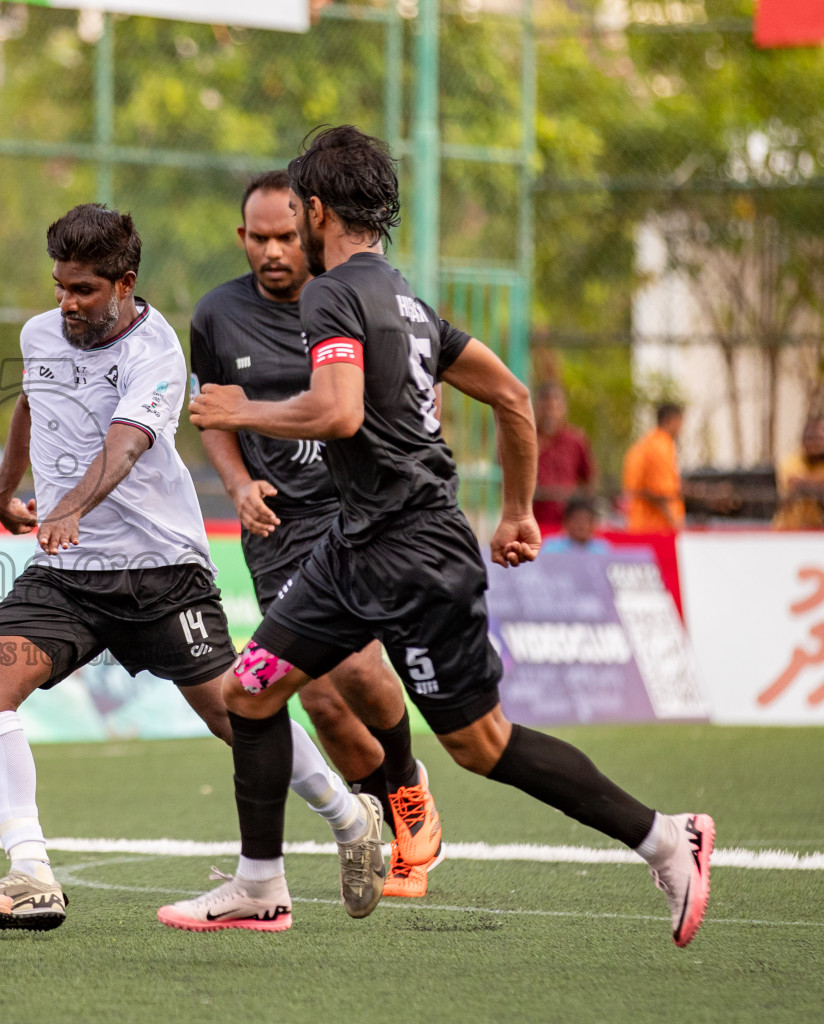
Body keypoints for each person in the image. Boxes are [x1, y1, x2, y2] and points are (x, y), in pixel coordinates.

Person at [169, 125, 713, 948]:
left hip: (417, 553)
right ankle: (258, 885)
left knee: (481, 745)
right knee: (250, 690)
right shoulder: (407, 301)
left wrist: (237, 408)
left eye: (297, 221)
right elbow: (514, 397)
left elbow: (339, 410)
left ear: (317, 211)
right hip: (353, 549)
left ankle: (668, 839)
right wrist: (521, 510)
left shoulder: (331, 295)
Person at [0, 204, 385, 934]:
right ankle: (30, 875)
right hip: (69, 575)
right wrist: (3, 489)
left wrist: (69, 507)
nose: (67, 303)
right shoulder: (40, 333)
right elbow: (31, 400)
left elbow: (125, 446)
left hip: (160, 572)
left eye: (83, 289)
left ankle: (349, 818)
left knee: (237, 715)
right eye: (59, 286)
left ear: (125, 283)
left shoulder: (156, 352)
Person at [191, 170, 438, 897]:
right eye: (258, 237)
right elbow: (212, 416)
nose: (271, 250)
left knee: (360, 671)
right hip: (274, 536)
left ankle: (406, 784)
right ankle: (399, 830)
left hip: (349, 517)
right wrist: (238, 486)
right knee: (324, 701)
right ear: (242, 237)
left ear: (311, 230)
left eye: (285, 237)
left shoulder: (350, 300)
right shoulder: (215, 316)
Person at [533, 381, 596, 529]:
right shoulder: (526, 439)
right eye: (545, 407)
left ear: (564, 409)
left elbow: (588, 480)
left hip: (568, 527)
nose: (550, 412)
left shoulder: (576, 440)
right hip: (534, 521)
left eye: (555, 407)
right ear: (536, 409)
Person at [622, 403, 685, 533]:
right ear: (672, 420)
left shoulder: (641, 444)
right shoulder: (662, 446)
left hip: (637, 523)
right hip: (657, 528)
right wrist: (676, 523)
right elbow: (660, 493)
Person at [773, 417, 824, 530]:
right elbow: (793, 483)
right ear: (803, 440)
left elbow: (801, 484)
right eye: (812, 439)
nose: (816, 445)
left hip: (816, 530)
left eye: (820, 439)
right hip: (788, 531)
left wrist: (805, 483)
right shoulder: (790, 461)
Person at [540, 496, 611, 554]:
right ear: (566, 522)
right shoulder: (551, 547)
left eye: (586, 520)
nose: (582, 526)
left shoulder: (602, 549)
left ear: (594, 523)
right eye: (577, 520)